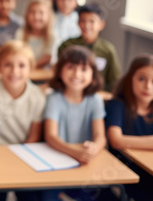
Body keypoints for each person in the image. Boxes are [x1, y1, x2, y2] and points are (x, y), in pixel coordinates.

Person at [106, 54, 153, 201]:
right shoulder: (117, 105)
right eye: (141, 79)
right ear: (130, 79)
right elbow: (116, 140)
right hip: (124, 175)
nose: (148, 86)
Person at [43, 45, 106, 201]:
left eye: (83, 69)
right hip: (59, 158)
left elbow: (101, 136)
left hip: (86, 162)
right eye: (71, 67)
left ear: (93, 75)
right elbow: (51, 136)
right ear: (60, 70)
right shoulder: (54, 98)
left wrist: (93, 149)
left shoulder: (95, 100)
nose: (77, 74)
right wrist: (75, 152)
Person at [0, 41, 45, 201]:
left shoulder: (37, 97)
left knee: (29, 195)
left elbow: (34, 136)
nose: (15, 71)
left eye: (22, 65)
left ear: (30, 68)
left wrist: (18, 159)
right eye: (8, 64)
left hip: (24, 155)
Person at [58, 3, 121, 91]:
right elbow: (59, 74)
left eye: (92, 21)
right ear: (78, 23)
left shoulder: (108, 50)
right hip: (71, 91)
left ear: (101, 24)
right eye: (83, 21)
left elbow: (114, 80)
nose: (87, 25)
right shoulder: (67, 45)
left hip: (98, 93)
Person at [15, 0, 55, 69]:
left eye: (41, 13)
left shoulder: (52, 37)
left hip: (43, 75)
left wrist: (31, 66)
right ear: (27, 15)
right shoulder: (20, 33)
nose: (36, 17)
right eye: (32, 12)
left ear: (48, 16)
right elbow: (18, 54)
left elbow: (47, 58)